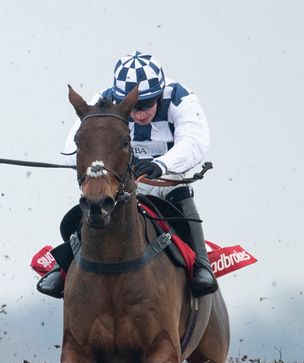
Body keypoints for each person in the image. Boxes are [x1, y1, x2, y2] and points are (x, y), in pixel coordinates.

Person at [37, 51, 218, 298]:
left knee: (185, 206)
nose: (140, 114)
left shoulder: (179, 98)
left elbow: (194, 141)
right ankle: (64, 267)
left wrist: (162, 164)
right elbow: (74, 146)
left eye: (147, 104)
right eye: (134, 107)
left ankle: (202, 267)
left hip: (167, 179)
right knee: (89, 208)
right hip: (123, 182)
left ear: (160, 92)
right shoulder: (104, 100)